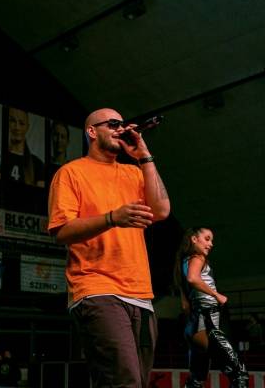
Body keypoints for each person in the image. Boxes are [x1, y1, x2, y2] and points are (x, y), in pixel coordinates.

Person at [48, 108, 170, 388]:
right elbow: (61, 231)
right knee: (124, 381)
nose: (121, 129)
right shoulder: (71, 173)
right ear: (92, 132)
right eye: (113, 124)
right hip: (97, 288)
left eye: (123, 124)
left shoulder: (133, 172)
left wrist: (144, 156)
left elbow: (162, 210)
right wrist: (112, 218)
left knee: (138, 381)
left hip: (140, 293)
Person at [174, 227, 249, 388]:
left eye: (212, 240)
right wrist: (216, 295)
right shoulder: (197, 257)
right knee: (239, 374)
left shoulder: (184, 262)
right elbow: (193, 278)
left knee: (196, 379)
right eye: (207, 239)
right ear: (194, 239)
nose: (211, 244)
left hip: (195, 324)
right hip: (206, 322)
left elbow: (185, 305)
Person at [7, 107, 45, 187]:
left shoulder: (37, 163)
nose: (17, 127)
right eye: (13, 121)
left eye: (21, 123)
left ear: (27, 127)